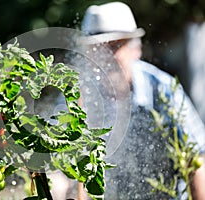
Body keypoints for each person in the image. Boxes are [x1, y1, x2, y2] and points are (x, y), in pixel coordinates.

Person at [78, 2, 205, 199]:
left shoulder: (162, 90)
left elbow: (195, 160)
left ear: (135, 49)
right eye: (98, 49)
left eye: (114, 47)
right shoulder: (78, 97)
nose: (106, 58)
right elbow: (63, 166)